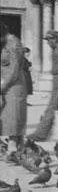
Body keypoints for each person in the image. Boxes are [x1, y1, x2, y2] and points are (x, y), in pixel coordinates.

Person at [28, 30, 58, 141]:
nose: (47, 43)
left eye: (49, 40)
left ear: (54, 39)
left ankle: (40, 135)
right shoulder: (57, 50)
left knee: (51, 109)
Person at [0, 23, 27, 153]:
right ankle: (17, 148)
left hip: (13, 86)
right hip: (7, 86)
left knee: (14, 119)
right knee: (9, 118)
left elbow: (14, 69)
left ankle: (14, 149)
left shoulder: (13, 43)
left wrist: (3, 86)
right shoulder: (5, 43)